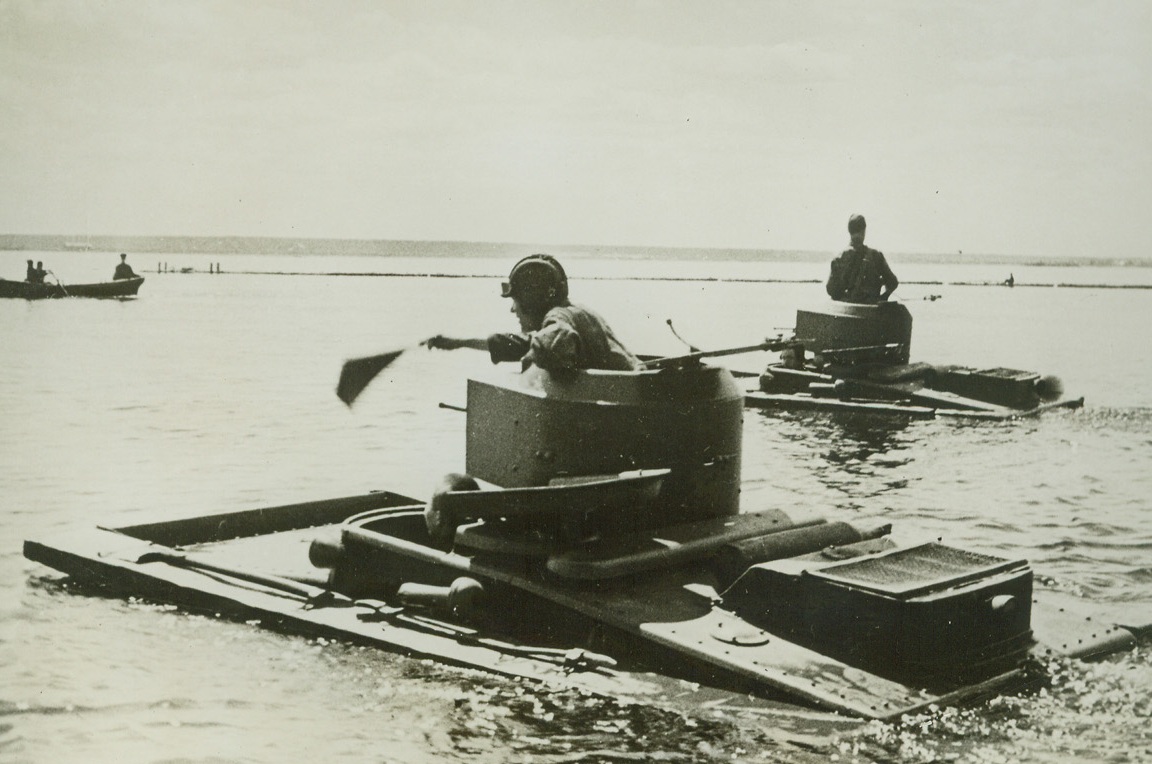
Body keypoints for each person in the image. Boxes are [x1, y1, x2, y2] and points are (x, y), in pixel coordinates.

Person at [424, 254, 642, 373]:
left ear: (531, 301)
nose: (513, 309)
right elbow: (526, 342)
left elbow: (554, 341)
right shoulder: (579, 312)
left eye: (515, 301)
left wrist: (530, 366)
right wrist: (459, 342)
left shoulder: (559, 317)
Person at [825, 214, 898, 303]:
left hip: (848, 311)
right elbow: (893, 283)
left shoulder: (838, 259)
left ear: (849, 231)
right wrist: (882, 298)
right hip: (872, 311)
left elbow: (831, 290)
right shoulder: (876, 256)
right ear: (864, 231)